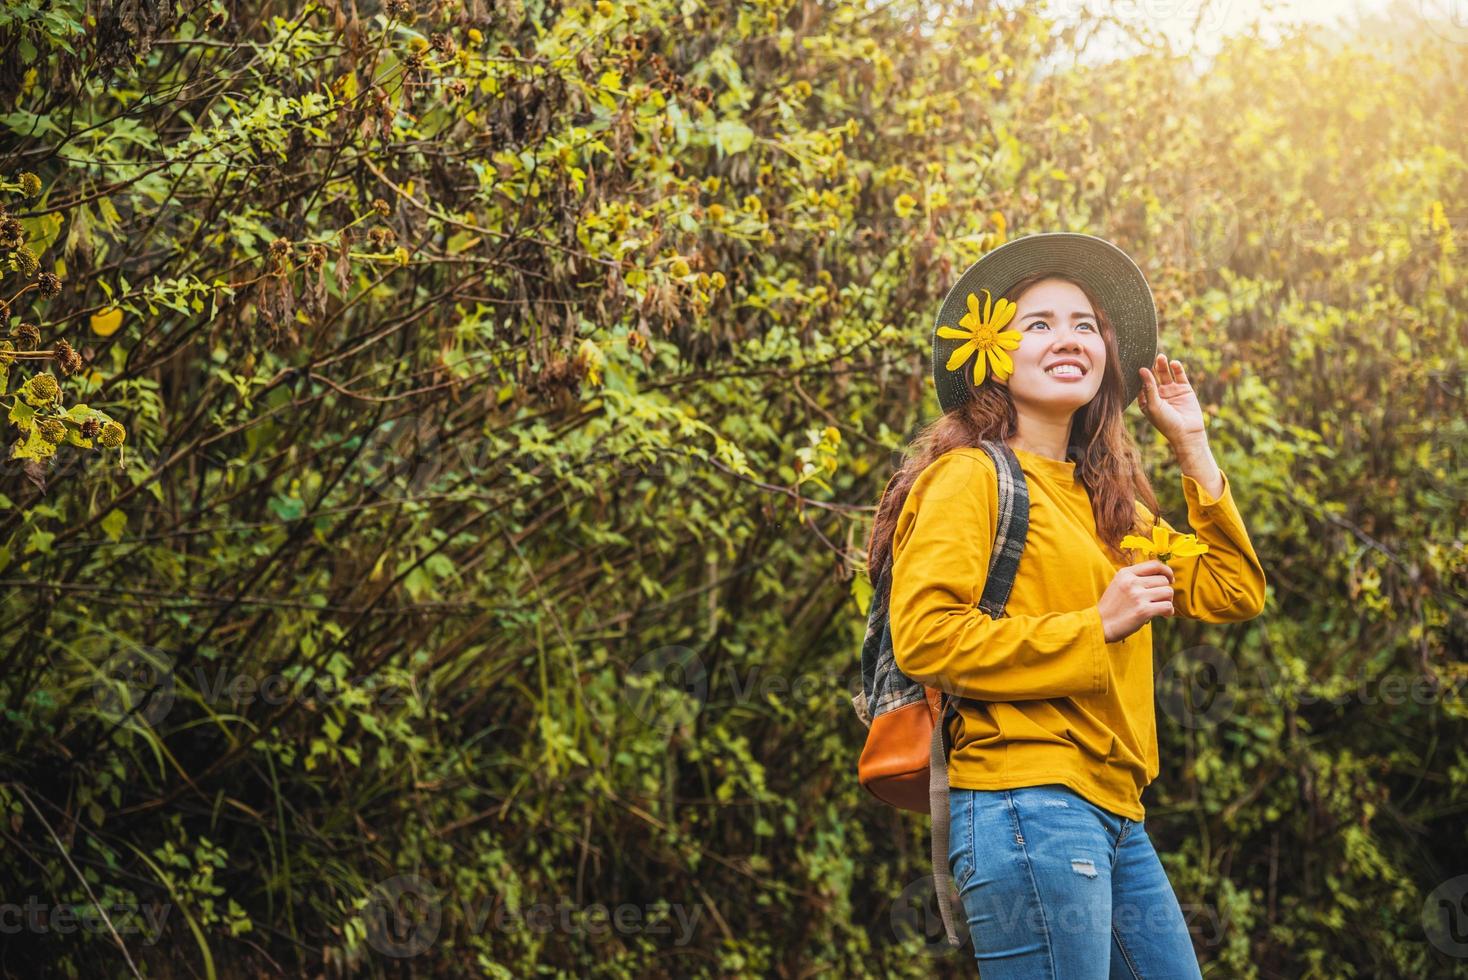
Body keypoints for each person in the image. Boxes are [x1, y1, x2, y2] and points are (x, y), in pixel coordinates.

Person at [866, 233, 1267, 977]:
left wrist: (1192, 446)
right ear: (993, 357)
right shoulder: (967, 479)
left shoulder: (1112, 510)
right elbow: (925, 640)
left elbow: (1234, 588)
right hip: (1026, 801)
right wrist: (1097, 626)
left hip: (1118, 813)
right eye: (1040, 324)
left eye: (1086, 325)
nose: (1069, 339)